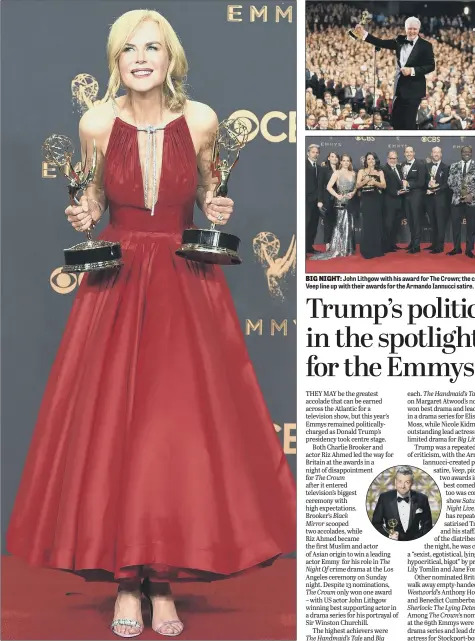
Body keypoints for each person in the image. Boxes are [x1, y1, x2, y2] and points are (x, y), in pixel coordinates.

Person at [6, 10, 296, 638]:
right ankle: (124, 580)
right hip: (114, 287)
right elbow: (89, 205)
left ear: (172, 59)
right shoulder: (92, 123)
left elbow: (212, 196)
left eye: (153, 48)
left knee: (171, 435)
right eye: (129, 49)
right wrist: (82, 214)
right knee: (115, 433)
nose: (141, 58)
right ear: (116, 61)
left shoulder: (202, 121)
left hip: (186, 289)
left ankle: (160, 579)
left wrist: (219, 206)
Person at [353, 17, 435, 130]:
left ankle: (408, 145)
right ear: (406, 29)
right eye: (409, 28)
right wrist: (364, 34)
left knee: (409, 121)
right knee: (396, 119)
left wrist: (412, 71)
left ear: (419, 29)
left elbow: (431, 66)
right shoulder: (399, 41)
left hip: (414, 89)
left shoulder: (426, 45)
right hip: (400, 87)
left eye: (415, 29)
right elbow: (381, 42)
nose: (412, 31)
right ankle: (397, 143)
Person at [310, 154, 357, 260]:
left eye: (347, 160)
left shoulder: (354, 173)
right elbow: (328, 187)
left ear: (350, 162)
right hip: (340, 203)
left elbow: (356, 187)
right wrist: (338, 196)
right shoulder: (337, 173)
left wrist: (353, 193)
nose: (345, 162)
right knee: (340, 225)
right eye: (344, 160)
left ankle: (348, 248)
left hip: (351, 202)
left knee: (350, 225)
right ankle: (339, 248)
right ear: (341, 162)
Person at [371, 467, 433, 541]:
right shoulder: (384, 498)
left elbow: (427, 526)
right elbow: (376, 523)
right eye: (400, 481)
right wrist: (388, 535)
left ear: (412, 483)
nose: (403, 486)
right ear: (395, 482)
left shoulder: (422, 498)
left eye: (407, 482)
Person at [447, 146, 475, 258]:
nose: (466, 153)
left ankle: (469, 250)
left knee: (471, 226)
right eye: (464, 151)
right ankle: (456, 248)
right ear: (461, 153)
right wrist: (460, 193)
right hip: (457, 200)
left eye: (468, 151)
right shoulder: (454, 166)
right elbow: (450, 182)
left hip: (472, 201)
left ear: (471, 153)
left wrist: (471, 195)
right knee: (455, 226)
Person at [357, 152, 386, 259]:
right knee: (367, 224)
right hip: (366, 200)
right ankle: (367, 250)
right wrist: (366, 180)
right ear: (366, 161)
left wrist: (375, 183)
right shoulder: (361, 171)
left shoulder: (380, 171)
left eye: (373, 159)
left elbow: (384, 185)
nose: (371, 161)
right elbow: (357, 185)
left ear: (376, 160)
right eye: (369, 159)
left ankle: (377, 249)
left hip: (376, 199)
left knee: (376, 223)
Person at [424, 146, 450, 254]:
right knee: (433, 223)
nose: (436, 154)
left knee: (440, 223)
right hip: (429, 200)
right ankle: (434, 244)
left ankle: (440, 246)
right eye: (434, 152)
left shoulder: (446, 167)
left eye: (438, 152)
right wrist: (428, 186)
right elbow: (423, 181)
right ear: (431, 154)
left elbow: (447, 184)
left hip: (440, 200)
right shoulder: (427, 166)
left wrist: (435, 189)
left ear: (441, 154)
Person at [400, 146, 426, 253]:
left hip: (416, 196)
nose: (409, 154)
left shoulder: (420, 164)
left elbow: (421, 182)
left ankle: (416, 246)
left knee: (416, 220)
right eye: (407, 152)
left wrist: (409, 184)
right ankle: (412, 242)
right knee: (410, 220)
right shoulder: (402, 165)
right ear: (404, 153)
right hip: (406, 196)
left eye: (411, 152)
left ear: (414, 153)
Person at [382, 151, 405, 252]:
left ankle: (392, 244)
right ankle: (386, 246)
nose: (393, 160)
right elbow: (384, 186)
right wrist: (396, 192)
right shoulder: (384, 169)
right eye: (391, 158)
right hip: (389, 201)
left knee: (396, 224)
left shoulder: (399, 168)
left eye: (395, 158)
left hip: (399, 202)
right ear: (387, 159)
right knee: (388, 225)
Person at [317, 151, 340, 243]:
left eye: (336, 157)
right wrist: (320, 200)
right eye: (332, 156)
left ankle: (337, 244)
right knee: (328, 223)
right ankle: (327, 244)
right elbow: (320, 185)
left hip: (339, 199)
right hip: (327, 199)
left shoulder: (341, 169)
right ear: (328, 158)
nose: (334, 158)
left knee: (337, 223)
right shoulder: (324, 169)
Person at [306, 143, 322, 255]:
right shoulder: (302, 165)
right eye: (313, 152)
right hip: (306, 201)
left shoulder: (319, 167)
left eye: (317, 152)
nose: (315, 154)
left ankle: (309, 247)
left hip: (317, 202)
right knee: (306, 225)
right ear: (308, 153)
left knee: (313, 225)